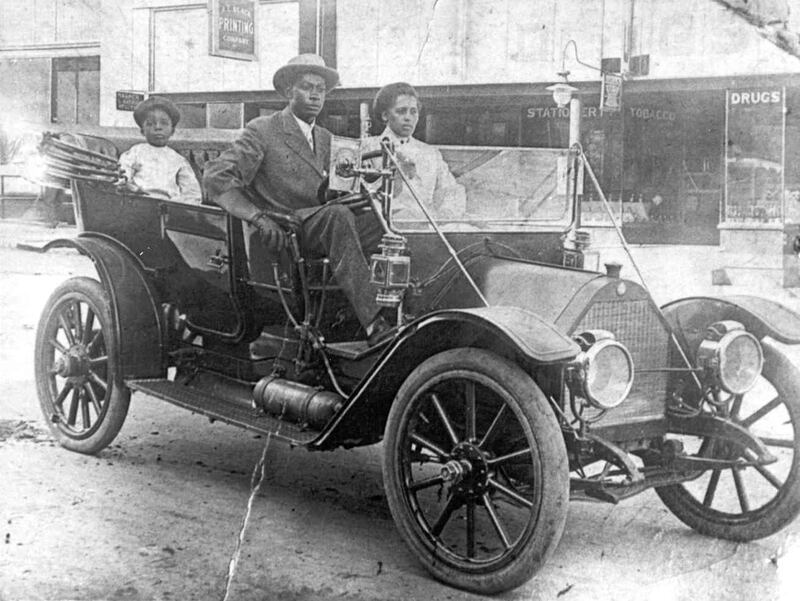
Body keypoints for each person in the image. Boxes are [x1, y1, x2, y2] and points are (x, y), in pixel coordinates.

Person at [203, 54, 391, 345]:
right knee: (338, 216)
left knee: (381, 222)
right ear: (289, 91)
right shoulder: (262, 129)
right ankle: (373, 323)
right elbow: (217, 176)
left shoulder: (328, 138)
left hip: (320, 224)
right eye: (307, 87)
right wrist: (259, 217)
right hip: (288, 227)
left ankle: (392, 308)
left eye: (321, 89)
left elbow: (331, 189)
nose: (316, 94)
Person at [363, 82, 465, 223]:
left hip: (430, 229)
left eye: (413, 111)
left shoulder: (431, 153)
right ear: (385, 115)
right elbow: (365, 197)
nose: (408, 117)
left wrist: (445, 216)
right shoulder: (368, 148)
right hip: (387, 228)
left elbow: (451, 190)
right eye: (401, 111)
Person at [118, 96, 202, 204]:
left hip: (170, 207)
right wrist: (126, 184)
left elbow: (192, 192)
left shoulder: (178, 160)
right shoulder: (135, 152)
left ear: (172, 131)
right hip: (139, 202)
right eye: (150, 124)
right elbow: (124, 173)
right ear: (142, 131)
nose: (157, 127)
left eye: (164, 123)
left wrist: (182, 208)